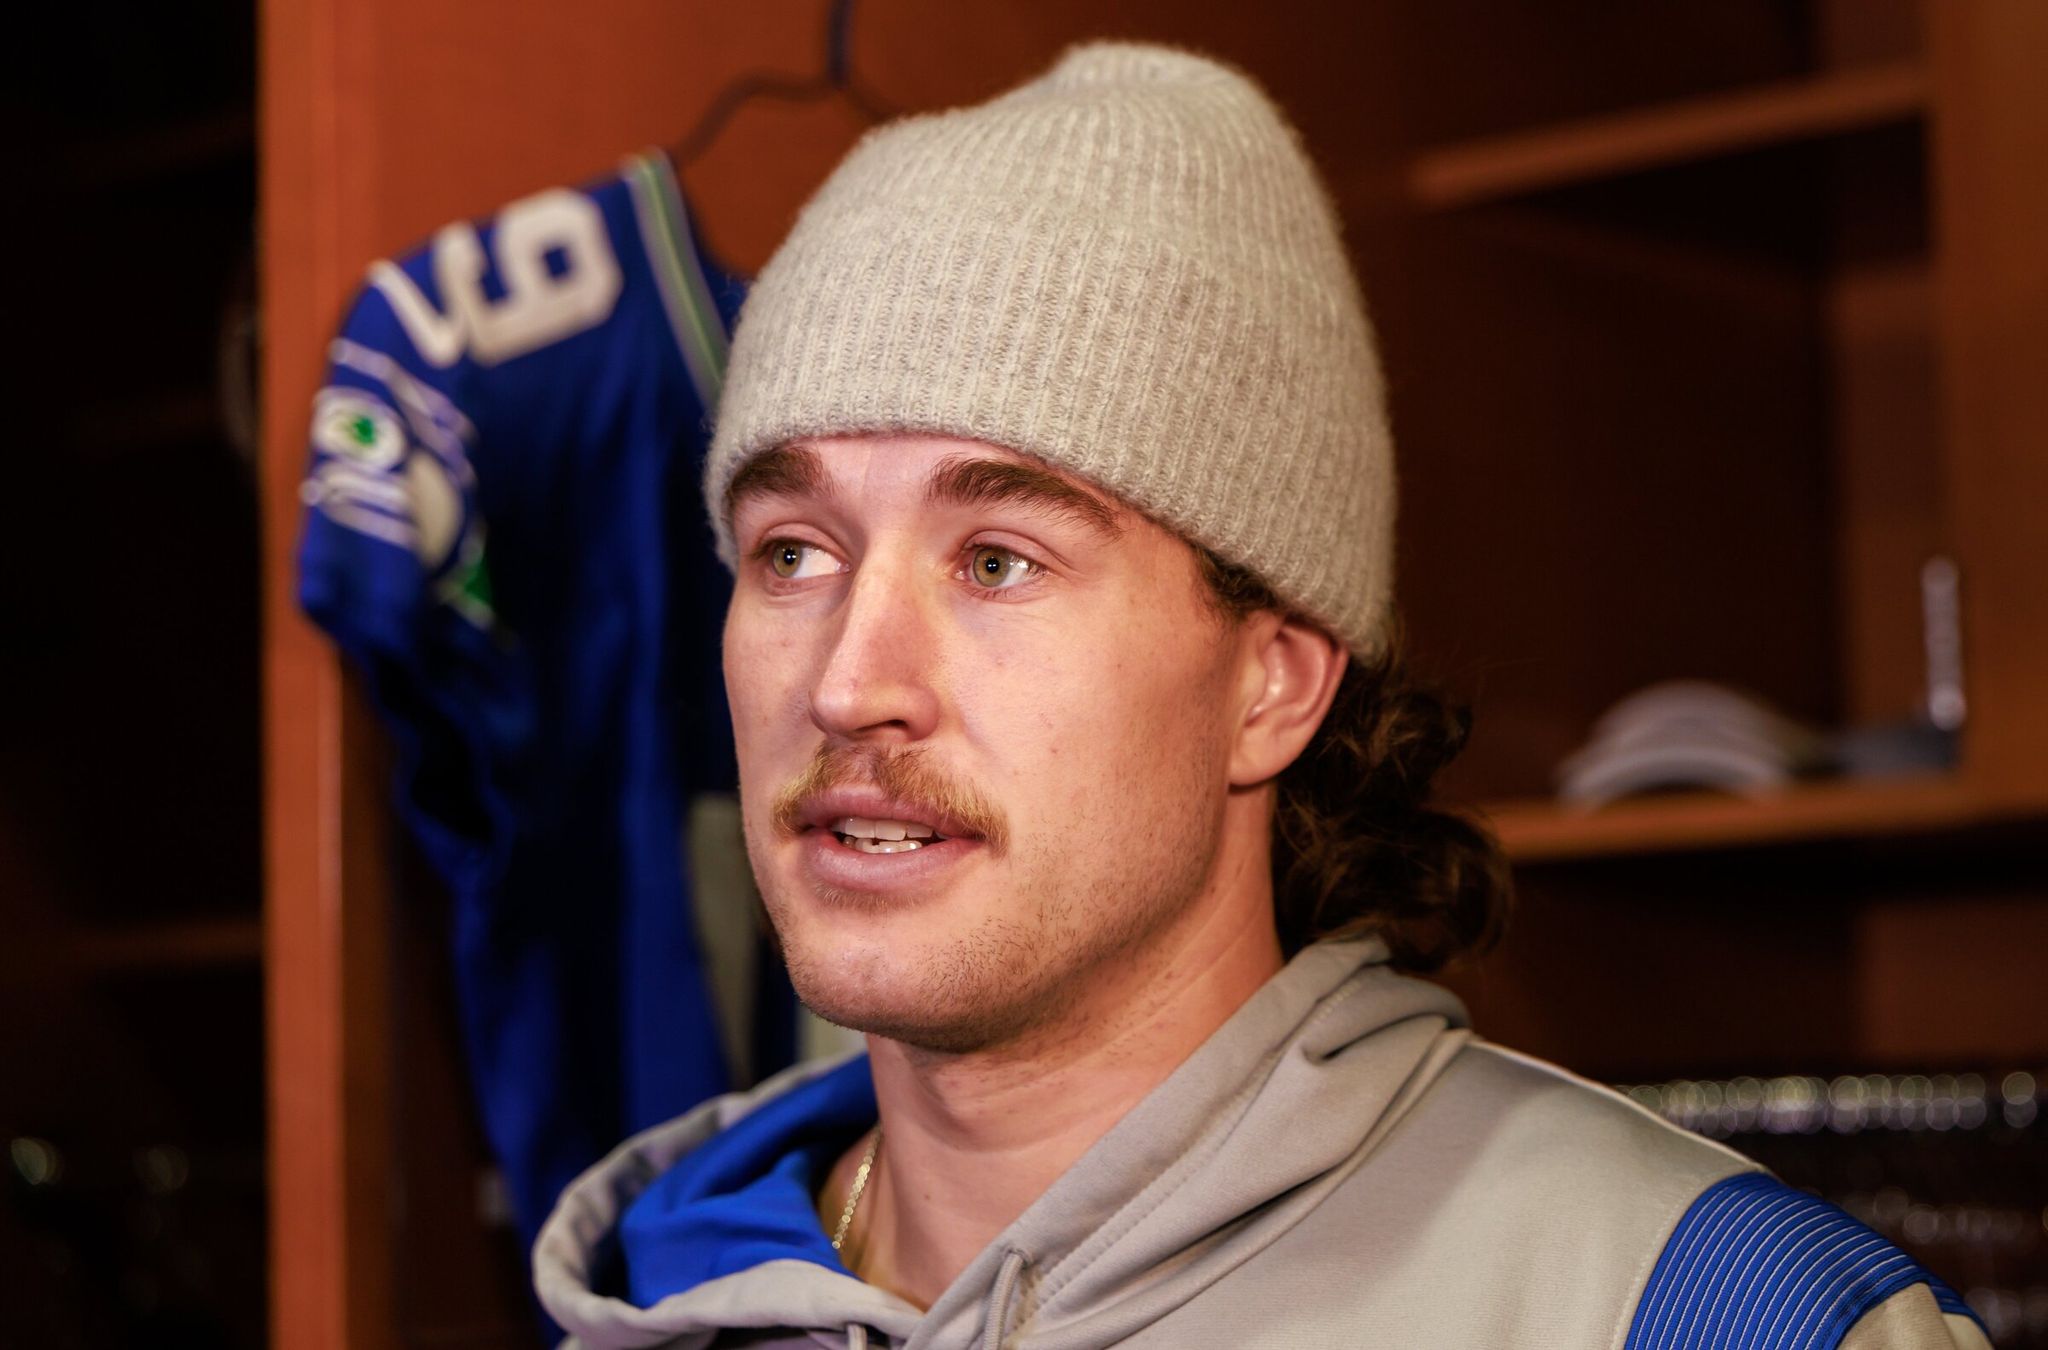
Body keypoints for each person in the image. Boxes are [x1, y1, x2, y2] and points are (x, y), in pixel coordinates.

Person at [534, 42, 1988, 1349]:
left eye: (997, 559)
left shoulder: (1697, 1316)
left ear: (1273, 681)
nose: (850, 680)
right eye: (792, 551)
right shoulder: (665, 1290)